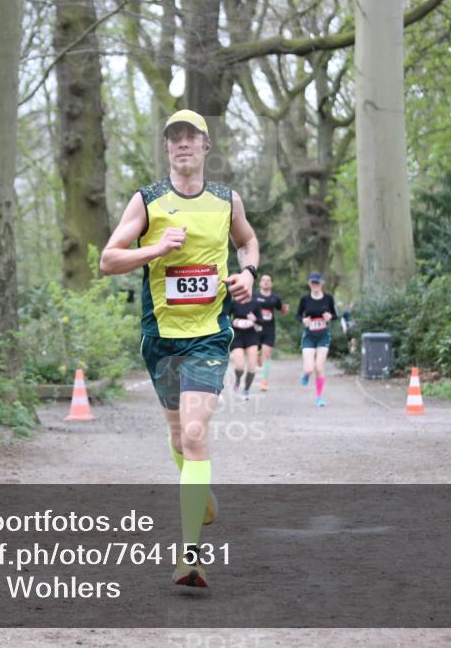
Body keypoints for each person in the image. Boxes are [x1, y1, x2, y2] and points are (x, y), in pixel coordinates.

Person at [99, 110, 259, 588]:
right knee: (178, 440)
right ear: (167, 149)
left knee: (193, 433)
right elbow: (109, 260)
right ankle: (200, 490)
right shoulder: (148, 201)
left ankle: (189, 553)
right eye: (175, 138)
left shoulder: (227, 200)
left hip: (210, 334)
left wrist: (247, 274)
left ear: (206, 146)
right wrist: (155, 249)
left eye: (192, 137)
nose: (183, 144)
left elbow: (248, 241)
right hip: (161, 338)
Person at [297, 272, 337, 407]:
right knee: (309, 368)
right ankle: (306, 374)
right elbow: (297, 315)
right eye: (313, 282)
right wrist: (303, 320)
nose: (315, 285)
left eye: (317, 282)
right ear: (309, 284)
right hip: (309, 336)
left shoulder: (328, 298)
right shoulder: (305, 299)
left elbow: (335, 315)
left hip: (323, 336)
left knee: (319, 367)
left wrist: (330, 317)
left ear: (321, 283)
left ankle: (319, 397)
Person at [252, 274, 289, 391]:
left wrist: (285, 310)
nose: (266, 282)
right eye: (263, 280)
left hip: (269, 330)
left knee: (267, 355)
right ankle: (257, 356)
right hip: (255, 329)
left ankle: (264, 382)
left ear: (272, 284)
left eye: (268, 280)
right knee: (258, 360)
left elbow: (281, 309)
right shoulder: (255, 296)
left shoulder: (275, 298)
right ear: (260, 283)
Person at [228, 295, 261, 400]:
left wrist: (255, 319)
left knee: (252, 367)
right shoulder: (233, 303)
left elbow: (262, 321)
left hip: (251, 337)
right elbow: (225, 317)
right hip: (237, 337)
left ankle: (246, 389)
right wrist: (232, 322)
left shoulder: (255, 303)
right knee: (239, 366)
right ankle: (237, 380)